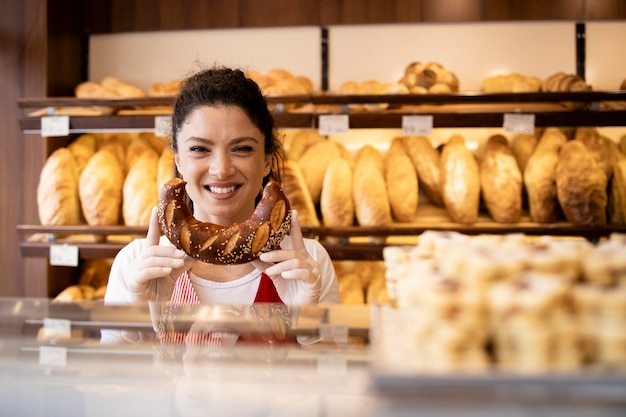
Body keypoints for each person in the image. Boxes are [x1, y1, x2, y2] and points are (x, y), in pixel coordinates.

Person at [102, 66, 340, 345]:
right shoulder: (135, 264)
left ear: (266, 161)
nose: (222, 169)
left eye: (241, 148)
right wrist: (137, 321)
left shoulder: (307, 263)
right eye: (200, 149)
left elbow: (333, 382)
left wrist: (308, 323)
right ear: (179, 161)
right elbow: (116, 383)